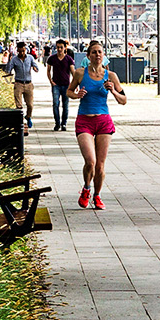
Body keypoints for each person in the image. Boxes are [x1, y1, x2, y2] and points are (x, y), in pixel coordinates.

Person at [68, 39, 126, 209]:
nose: (97, 55)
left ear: (104, 55)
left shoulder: (111, 76)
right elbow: (69, 91)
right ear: (88, 56)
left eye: (100, 52)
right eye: (94, 52)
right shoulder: (80, 73)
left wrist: (113, 90)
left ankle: (97, 195)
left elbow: (123, 100)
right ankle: (86, 188)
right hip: (84, 120)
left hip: (103, 121)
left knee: (100, 165)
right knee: (90, 161)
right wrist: (76, 95)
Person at [47, 39, 75, 131]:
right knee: (55, 103)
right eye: (58, 47)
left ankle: (64, 123)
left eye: (61, 47)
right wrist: (51, 81)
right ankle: (57, 123)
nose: (59, 49)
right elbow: (48, 70)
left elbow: (73, 71)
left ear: (65, 48)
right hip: (56, 85)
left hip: (66, 85)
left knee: (65, 105)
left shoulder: (68, 59)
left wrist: (76, 83)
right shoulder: (52, 58)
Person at [8, 42, 38, 130]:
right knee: (19, 105)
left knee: (30, 105)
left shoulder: (30, 58)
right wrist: (9, 65)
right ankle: (20, 121)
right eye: (20, 51)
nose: (21, 53)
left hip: (28, 84)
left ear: (26, 50)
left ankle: (28, 117)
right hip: (18, 83)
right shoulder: (14, 59)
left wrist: (35, 68)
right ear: (17, 50)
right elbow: (8, 70)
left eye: (23, 51)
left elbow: (36, 66)